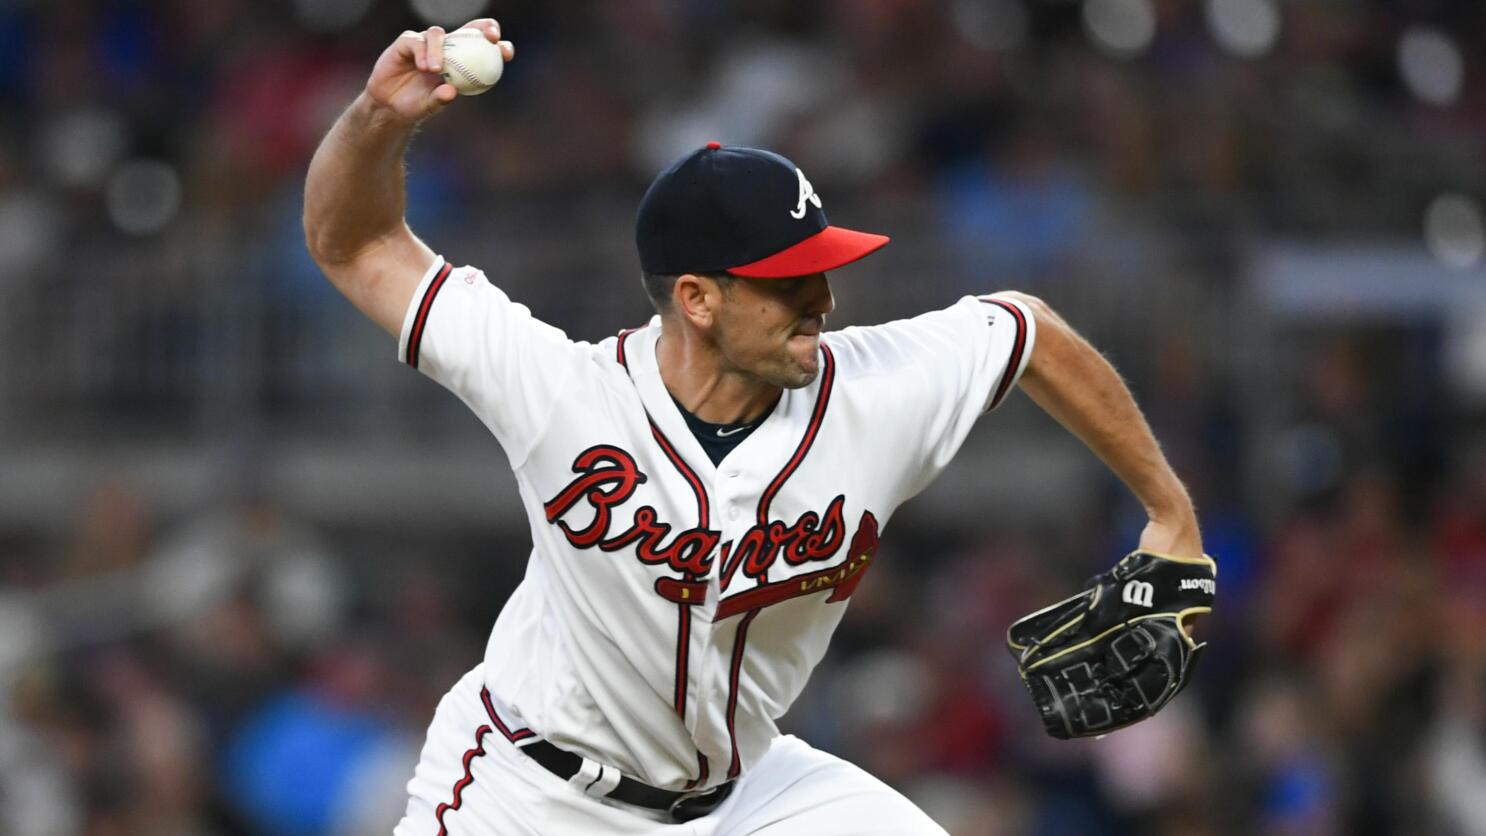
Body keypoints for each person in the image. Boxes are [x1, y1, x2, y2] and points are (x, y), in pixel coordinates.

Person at [303, 18, 1205, 836]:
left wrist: (1171, 513)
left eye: (822, 265)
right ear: (696, 298)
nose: (822, 297)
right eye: (786, 280)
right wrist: (378, 120)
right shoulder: (561, 391)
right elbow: (357, 244)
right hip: (529, 793)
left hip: (748, 797)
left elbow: (1029, 331)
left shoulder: (874, 389)